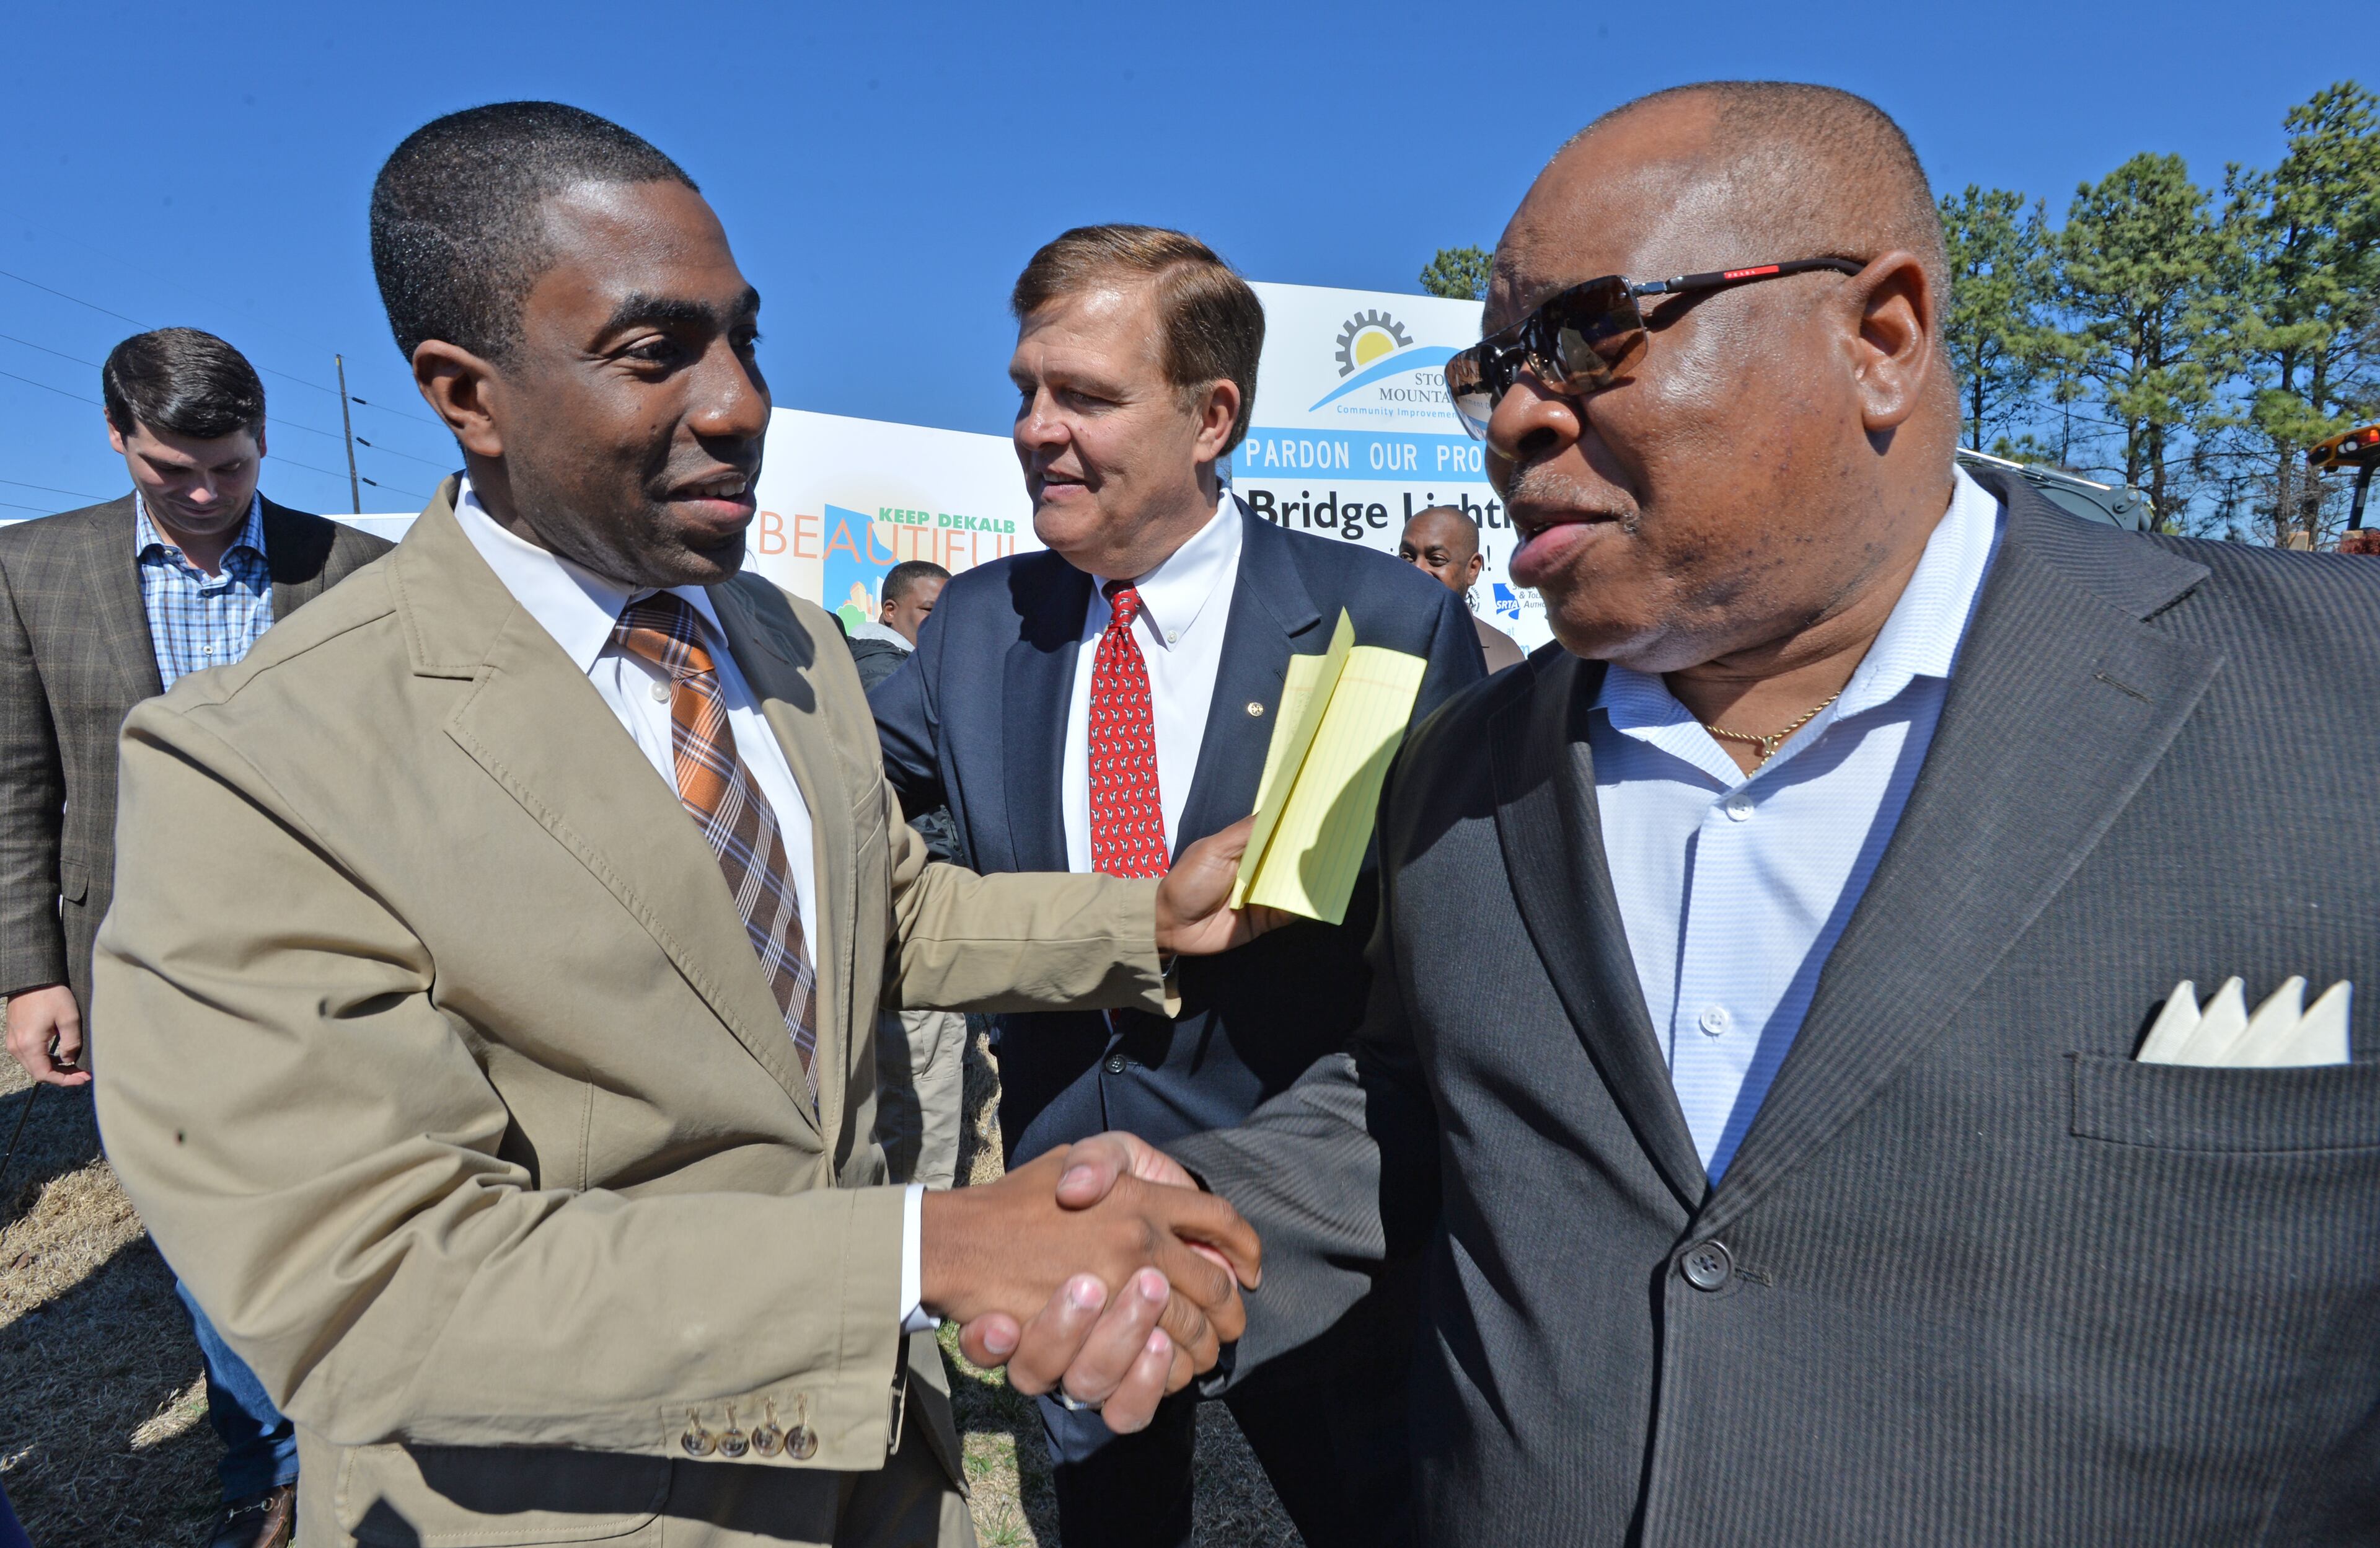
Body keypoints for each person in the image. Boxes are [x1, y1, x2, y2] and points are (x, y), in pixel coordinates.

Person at [1005, 82, 2380, 1542]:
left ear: (1881, 338)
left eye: (1590, 334)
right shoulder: (1457, 778)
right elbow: (1424, 1106)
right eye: (1495, 369)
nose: (1520, 413)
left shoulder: (2322, 705)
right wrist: (1214, 1207)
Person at [90, 103, 1266, 1548]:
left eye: (744, 338)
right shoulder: (257, 762)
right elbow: (375, 1286)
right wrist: (926, 1244)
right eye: (656, 354)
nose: (741, 402)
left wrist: (1144, 917)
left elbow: (884, 912)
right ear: (468, 396)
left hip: (888, 1478)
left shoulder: (776, 640)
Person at [871, 224, 1483, 1548]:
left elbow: (1449, 942)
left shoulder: (1384, 618)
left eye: (1084, 396)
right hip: (1069, 1210)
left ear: (1213, 417)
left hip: (1297, 1214)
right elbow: (844, 776)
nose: (1037, 430)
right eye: (1026, 391)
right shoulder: (980, 622)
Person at [0, 327, 390, 1547]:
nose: (210, 494)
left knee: (345, 1215)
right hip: (137, 965)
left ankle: (363, 1448)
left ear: (264, 437)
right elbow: (19, 784)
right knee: (205, 1230)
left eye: (229, 464)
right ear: (120, 442)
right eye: (176, 473)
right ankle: (268, 1469)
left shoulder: (358, 571)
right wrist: (28, 977)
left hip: (333, 966)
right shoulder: (34, 572)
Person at [841, 558, 963, 1188]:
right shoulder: (894, 679)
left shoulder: (858, 670)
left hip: (887, 910)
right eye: (929, 614)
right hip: (913, 910)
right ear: (889, 610)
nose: (942, 630)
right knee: (921, 1087)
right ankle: (925, 1244)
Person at [1397, 503, 1526, 671]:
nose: (1417, 569)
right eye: (1407, 557)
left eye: (1436, 559)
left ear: (1472, 569)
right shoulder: (1371, 638)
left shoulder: (1505, 653)